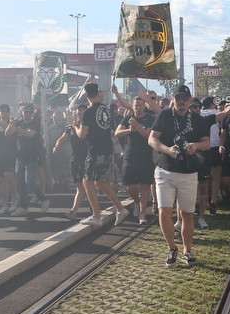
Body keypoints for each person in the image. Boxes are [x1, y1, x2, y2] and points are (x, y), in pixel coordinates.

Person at [148, 84, 211, 266]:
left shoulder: (198, 120)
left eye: (185, 98)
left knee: (187, 214)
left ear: (189, 100)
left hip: (188, 172)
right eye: (178, 98)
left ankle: (187, 250)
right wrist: (167, 149)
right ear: (173, 99)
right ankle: (171, 248)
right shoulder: (165, 115)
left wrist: (196, 146)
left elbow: (206, 143)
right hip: (165, 170)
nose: (182, 101)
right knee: (164, 211)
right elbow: (152, 138)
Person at [76, 83, 130, 227]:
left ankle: (97, 215)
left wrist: (75, 127)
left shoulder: (88, 112)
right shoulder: (105, 108)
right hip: (107, 148)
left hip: (95, 150)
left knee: (87, 181)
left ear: (86, 95)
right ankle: (120, 208)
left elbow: (82, 135)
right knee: (100, 182)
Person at [115, 94, 157, 224]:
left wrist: (136, 127)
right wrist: (130, 129)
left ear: (144, 106)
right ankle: (137, 203)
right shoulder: (128, 118)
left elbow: (147, 134)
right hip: (129, 155)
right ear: (132, 107)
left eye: (140, 105)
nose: (138, 108)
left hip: (145, 156)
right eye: (136, 106)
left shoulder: (150, 118)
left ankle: (142, 214)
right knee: (129, 186)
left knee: (145, 186)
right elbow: (117, 133)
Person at [9, 102, 50, 215]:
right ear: (21, 112)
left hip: (32, 156)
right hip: (20, 156)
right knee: (20, 183)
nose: (28, 114)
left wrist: (29, 104)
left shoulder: (35, 122)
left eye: (30, 112)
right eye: (25, 112)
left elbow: (30, 134)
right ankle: (23, 207)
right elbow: (8, 133)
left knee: (30, 180)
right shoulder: (18, 122)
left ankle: (44, 199)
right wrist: (11, 124)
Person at [54, 104, 89, 221]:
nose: (80, 112)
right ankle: (85, 208)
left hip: (88, 158)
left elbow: (83, 136)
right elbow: (63, 138)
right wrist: (57, 146)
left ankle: (75, 210)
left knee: (86, 185)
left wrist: (76, 128)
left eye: (83, 110)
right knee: (80, 185)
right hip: (75, 159)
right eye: (79, 110)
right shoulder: (71, 127)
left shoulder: (89, 125)